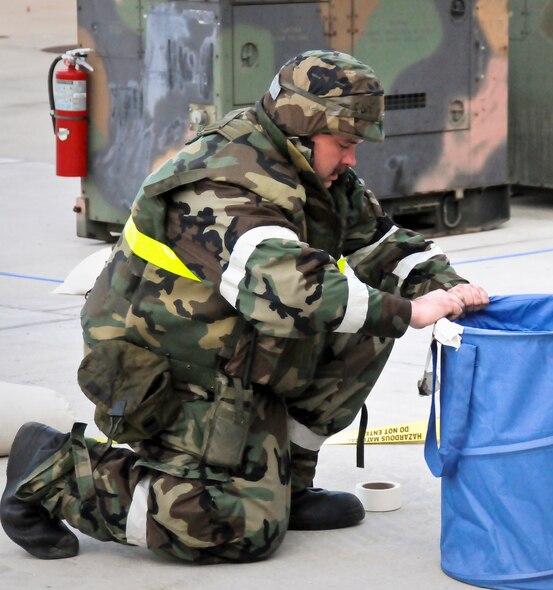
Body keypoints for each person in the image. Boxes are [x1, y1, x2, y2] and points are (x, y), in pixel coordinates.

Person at [0, 50, 488, 563]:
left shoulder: (312, 173)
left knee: (368, 311)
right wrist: (411, 313)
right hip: (168, 369)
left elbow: (386, 247)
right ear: (303, 130)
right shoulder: (223, 182)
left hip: (230, 347)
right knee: (229, 527)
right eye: (344, 144)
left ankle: (289, 481)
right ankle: (54, 471)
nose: (351, 160)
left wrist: (454, 293)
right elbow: (290, 290)